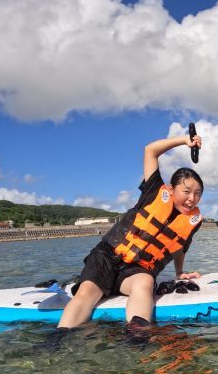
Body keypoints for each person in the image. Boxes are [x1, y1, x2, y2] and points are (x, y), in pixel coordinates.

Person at [58, 134, 204, 329]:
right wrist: (183, 140)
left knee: (144, 284)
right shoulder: (154, 192)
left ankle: (137, 335)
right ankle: (60, 337)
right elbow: (150, 151)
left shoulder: (193, 221)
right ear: (171, 189)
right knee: (87, 292)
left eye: (197, 194)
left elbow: (181, 247)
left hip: (137, 271)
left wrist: (180, 272)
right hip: (108, 256)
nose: (192, 199)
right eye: (186, 191)